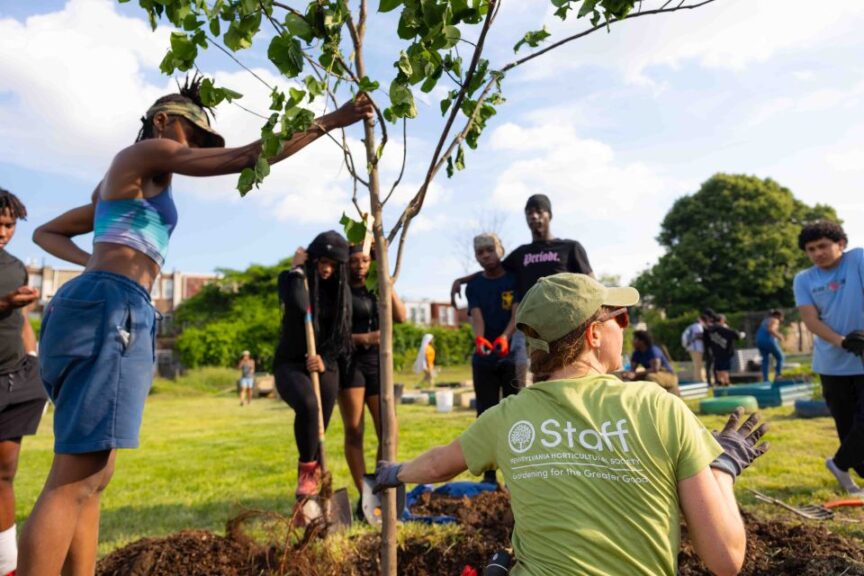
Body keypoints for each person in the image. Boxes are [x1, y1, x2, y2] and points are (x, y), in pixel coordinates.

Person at [21, 77, 373, 574]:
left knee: (94, 476)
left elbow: (46, 232)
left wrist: (92, 264)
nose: (191, 150)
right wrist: (332, 121)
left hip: (104, 304)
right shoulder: (141, 155)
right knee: (74, 478)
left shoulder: (117, 184)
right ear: (162, 121)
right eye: (191, 135)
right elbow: (245, 158)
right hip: (111, 309)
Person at [375, 273, 767, 576]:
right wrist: (724, 467)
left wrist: (394, 473)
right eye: (620, 317)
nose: (626, 327)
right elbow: (725, 559)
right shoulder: (659, 407)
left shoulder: (507, 415)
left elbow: (438, 465)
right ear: (594, 334)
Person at [451, 195, 593, 388]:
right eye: (529, 213)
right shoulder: (522, 254)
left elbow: (592, 285)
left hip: (565, 328)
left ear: (549, 215)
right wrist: (462, 280)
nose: (534, 216)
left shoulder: (570, 248)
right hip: (532, 331)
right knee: (533, 381)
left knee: (570, 378)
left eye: (539, 211)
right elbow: (494, 268)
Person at [274, 232, 353, 500]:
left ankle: (313, 499)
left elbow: (342, 337)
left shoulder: (342, 292)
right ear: (313, 258)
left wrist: (325, 359)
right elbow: (298, 305)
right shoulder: (292, 280)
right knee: (309, 406)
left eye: (332, 264)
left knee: (318, 427)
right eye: (321, 262)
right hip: (291, 364)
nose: (326, 269)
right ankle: (306, 478)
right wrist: (297, 269)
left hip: (325, 364)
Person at [793, 221, 864, 494]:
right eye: (811, 249)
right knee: (847, 430)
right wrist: (844, 342)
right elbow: (810, 320)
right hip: (832, 365)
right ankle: (848, 470)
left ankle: (837, 464)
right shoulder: (804, 279)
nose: (817, 253)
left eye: (823, 246)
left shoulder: (857, 259)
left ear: (841, 244)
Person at [0, 189, 48, 576]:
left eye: (10, 225)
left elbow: (23, 321)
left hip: (16, 379)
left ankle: (7, 566)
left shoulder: (16, 267)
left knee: (4, 473)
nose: (4, 232)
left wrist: (34, 359)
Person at [339, 243, 406, 514]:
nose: (360, 266)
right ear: (346, 263)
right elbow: (332, 334)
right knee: (354, 430)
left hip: (377, 363)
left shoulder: (378, 286)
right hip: (350, 363)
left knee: (387, 429)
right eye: (355, 261)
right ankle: (363, 495)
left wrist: (385, 272)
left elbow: (400, 316)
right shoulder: (341, 292)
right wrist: (364, 338)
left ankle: (379, 485)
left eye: (365, 260)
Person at [466, 233, 518, 484]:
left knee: (513, 414)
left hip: (511, 358)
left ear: (500, 249)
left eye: (489, 249)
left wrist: (506, 337)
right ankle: (489, 474)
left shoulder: (514, 279)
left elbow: (516, 314)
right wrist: (480, 339)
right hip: (484, 358)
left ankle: (514, 472)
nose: (485, 255)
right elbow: (477, 316)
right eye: (480, 252)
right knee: (485, 414)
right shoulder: (474, 286)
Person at [623, 330, 680, 396]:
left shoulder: (653, 350)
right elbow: (632, 371)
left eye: (635, 339)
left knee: (651, 377)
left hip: (669, 375)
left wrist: (635, 374)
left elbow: (655, 369)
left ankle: (655, 398)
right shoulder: (637, 352)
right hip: (654, 375)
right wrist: (627, 375)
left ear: (642, 341)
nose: (632, 341)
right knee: (631, 378)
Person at [706, 315, 744, 387]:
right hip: (724, 351)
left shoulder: (710, 329)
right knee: (725, 368)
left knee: (718, 368)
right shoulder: (721, 329)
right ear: (721, 320)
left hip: (715, 351)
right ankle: (727, 382)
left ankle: (720, 381)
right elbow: (735, 334)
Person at [755, 310, 785, 382]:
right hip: (768, 341)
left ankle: (765, 380)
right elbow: (771, 329)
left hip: (759, 341)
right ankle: (777, 376)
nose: (782, 319)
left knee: (765, 360)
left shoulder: (765, 320)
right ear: (778, 316)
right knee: (780, 357)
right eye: (782, 317)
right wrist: (779, 336)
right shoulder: (775, 320)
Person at [681, 315, 707, 381]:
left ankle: (699, 378)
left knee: (697, 364)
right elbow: (698, 335)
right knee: (698, 364)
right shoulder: (697, 326)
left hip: (693, 348)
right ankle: (698, 379)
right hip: (696, 348)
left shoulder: (692, 326)